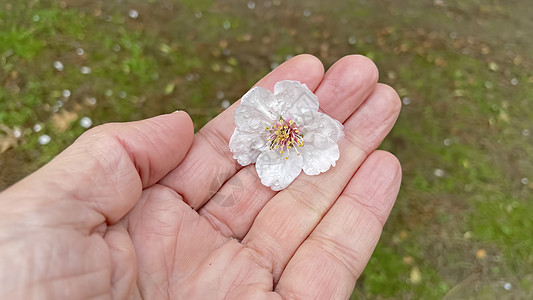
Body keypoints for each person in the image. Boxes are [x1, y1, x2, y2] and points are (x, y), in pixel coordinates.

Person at [0, 54, 401, 299]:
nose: (285, 132)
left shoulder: (311, 131)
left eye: (288, 131)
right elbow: (247, 142)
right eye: (284, 130)